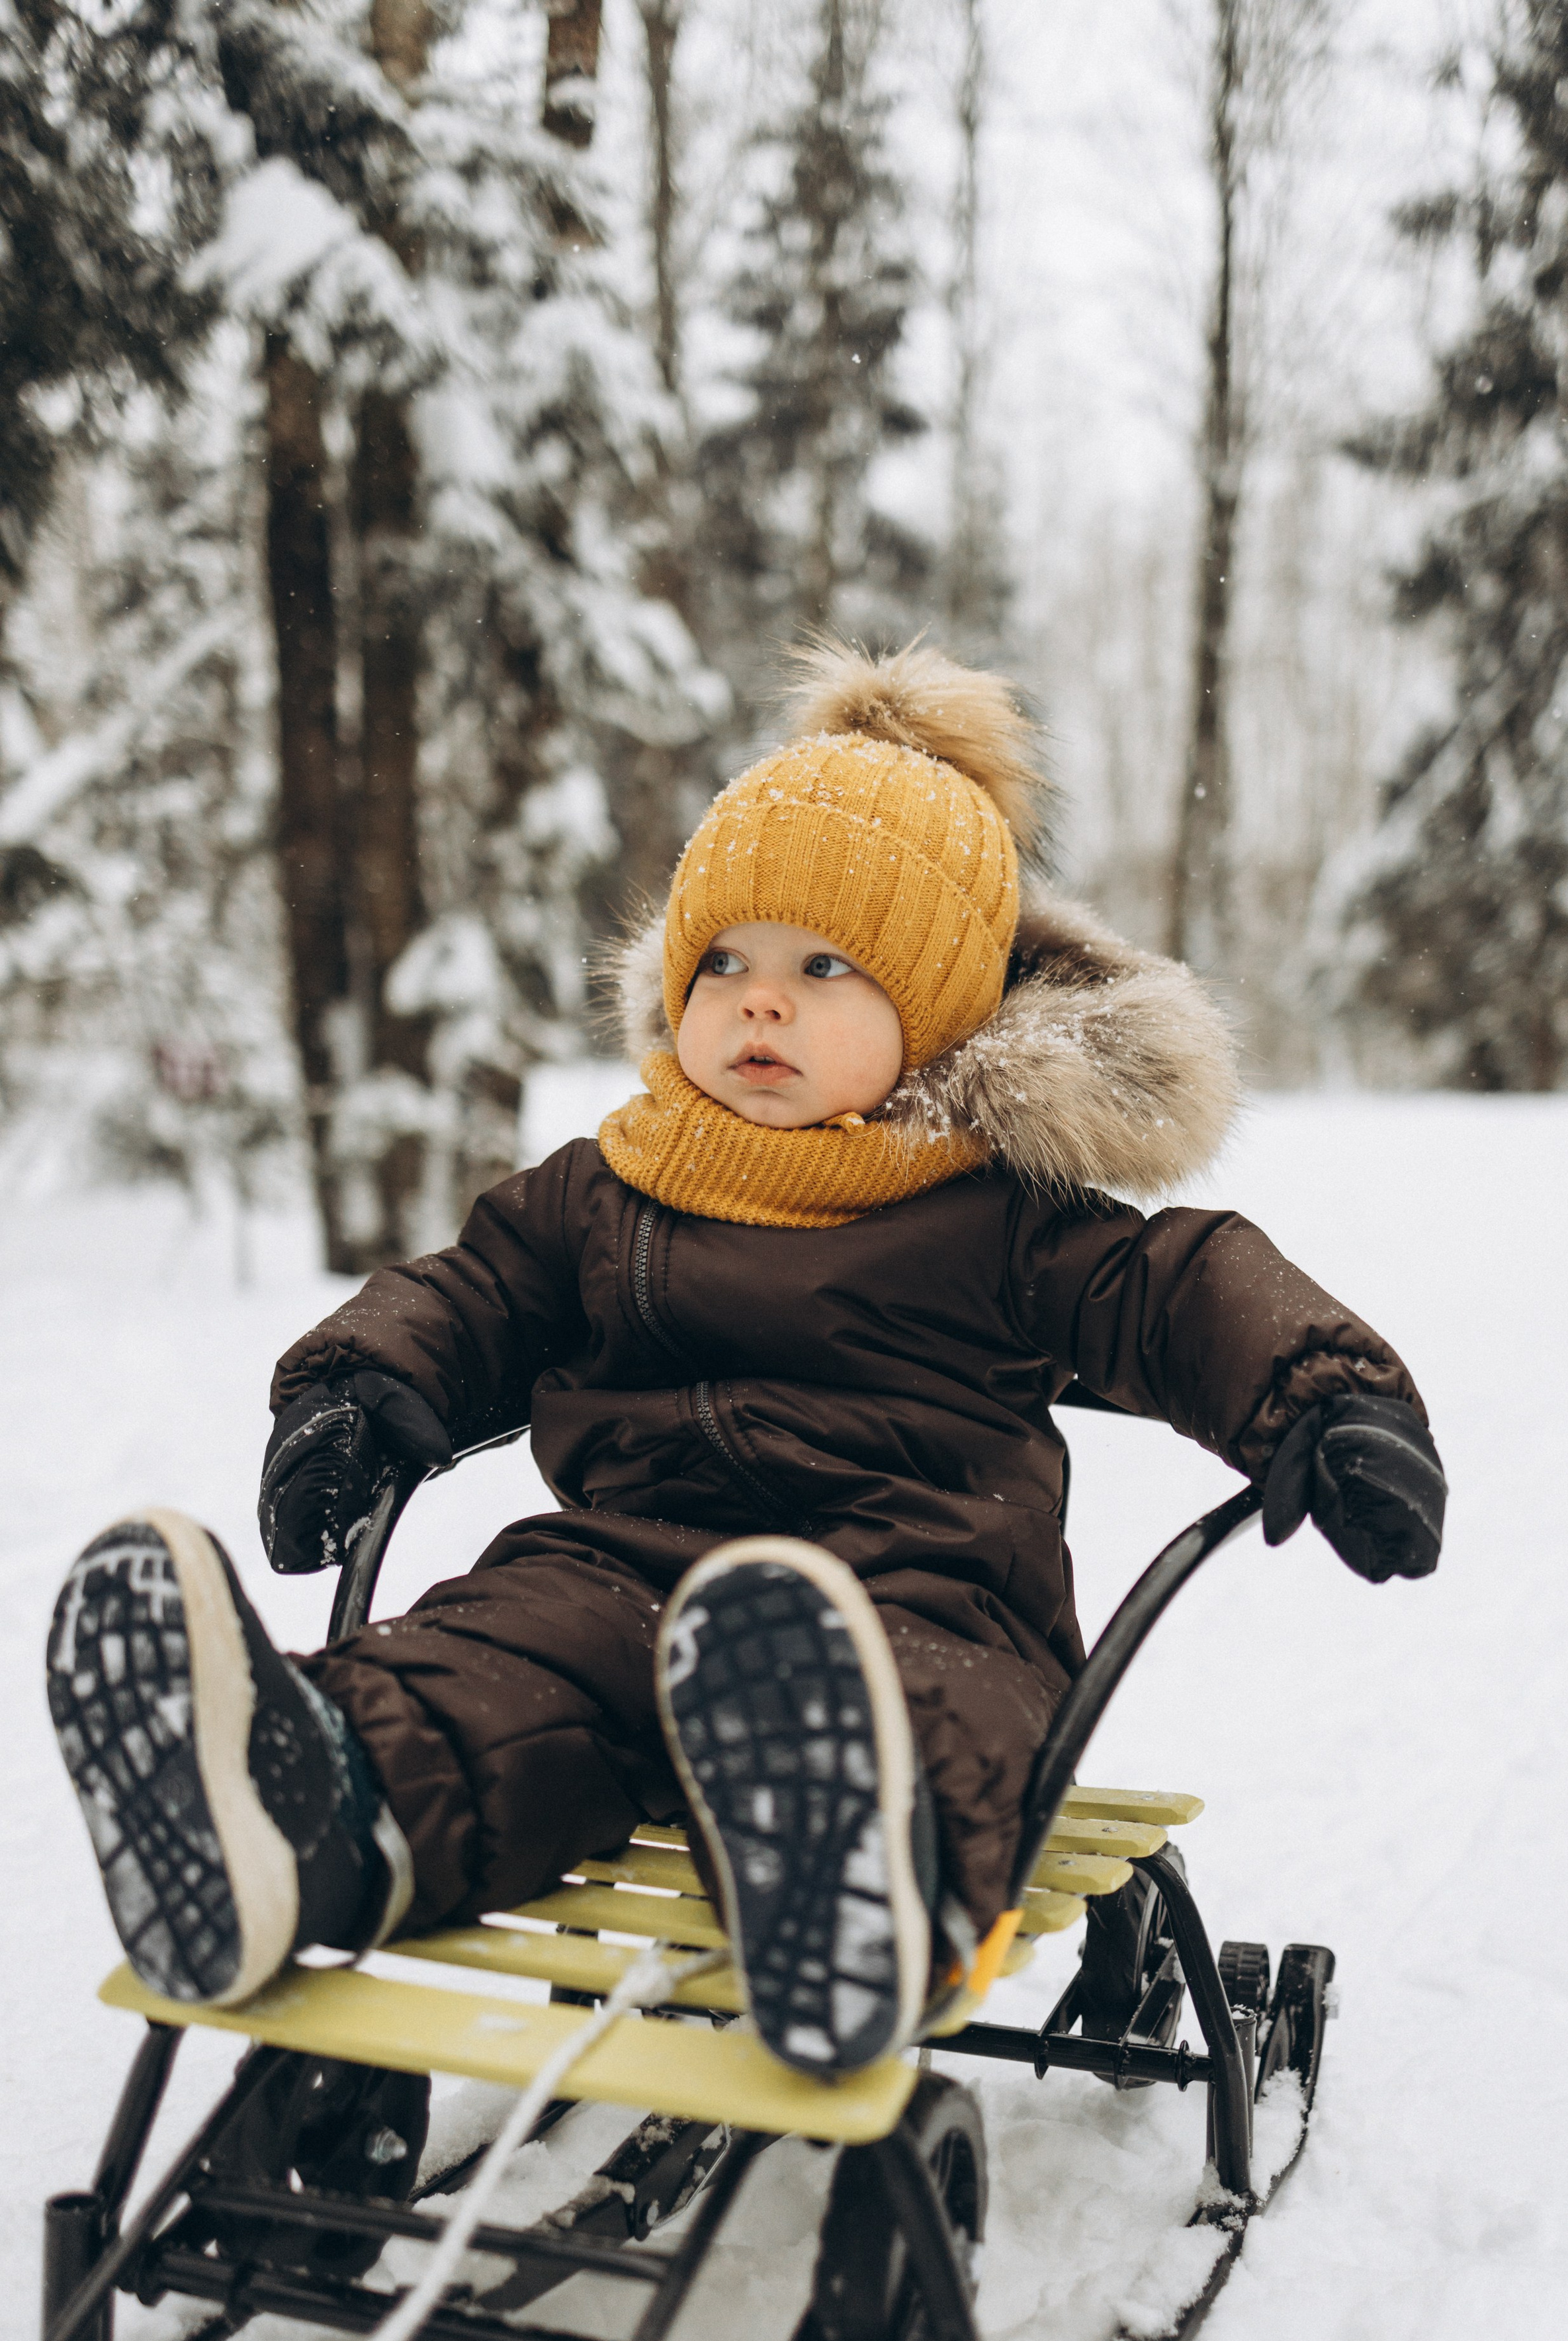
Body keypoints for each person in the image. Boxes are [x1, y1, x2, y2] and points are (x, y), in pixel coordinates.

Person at [46, 641, 1446, 2078]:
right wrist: (354, 1388)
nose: (758, 1001)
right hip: (614, 1571)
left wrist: (1326, 1398)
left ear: (939, 1014)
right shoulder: (607, 1187)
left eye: (823, 967)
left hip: (921, 1586)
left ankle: (856, 1885)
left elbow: (1181, 1290)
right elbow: (471, 1292)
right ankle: (296, 1811)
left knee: (921, 1713)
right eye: (725, 960)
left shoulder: (993, 1214)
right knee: (492, 1664)